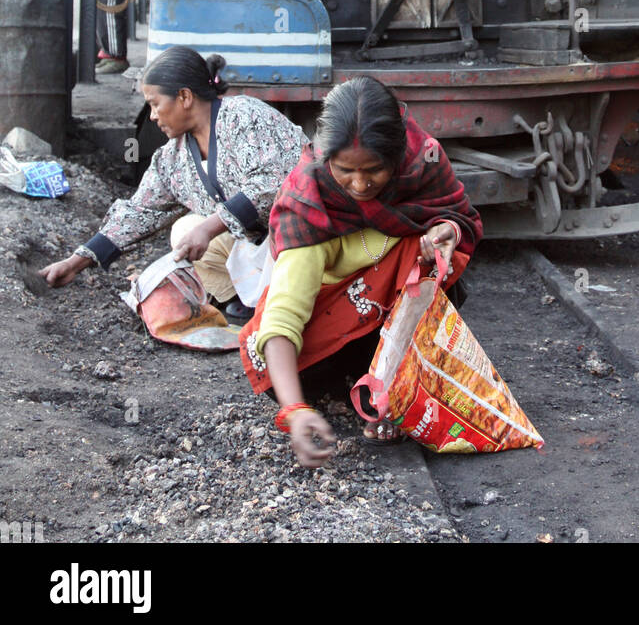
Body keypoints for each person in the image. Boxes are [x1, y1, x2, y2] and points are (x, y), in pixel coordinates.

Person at [239, 75, 483, 468]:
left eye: (374, 170)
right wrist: (295, 409)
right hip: (325, 341)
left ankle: (395, 385)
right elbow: (285, 311)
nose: (359, 184)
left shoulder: (424, 162)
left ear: (398, 156)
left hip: (392, 321)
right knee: (282, 364)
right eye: (345, 170)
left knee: (430, 262)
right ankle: (357, 383)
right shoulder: (310, 198)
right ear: (325, 158)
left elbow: (459, 216)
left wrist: (447, 231)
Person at [39, 46, 308, 321]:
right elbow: (140, 212)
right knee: (184, 231)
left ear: (184, 97)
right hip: (260, 243)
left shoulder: (244, 115)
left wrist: (209, 227)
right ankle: (244, 302)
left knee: (200, 228)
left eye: (155, 104)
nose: (153, 115)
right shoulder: (172, 158)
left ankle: (289, 301)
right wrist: (76, 262)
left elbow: (275, 180)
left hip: (302, 234)